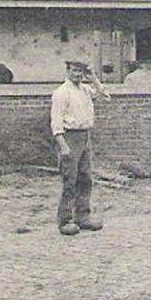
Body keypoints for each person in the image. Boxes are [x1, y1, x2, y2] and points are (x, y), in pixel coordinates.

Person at [51, 59, 105, 236]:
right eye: (74, 71)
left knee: (86, 178)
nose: (77, 75)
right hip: (69, 136)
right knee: (70, 180)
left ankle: (82, 216)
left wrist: (93, 77)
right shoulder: (61, 93)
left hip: (84, 136)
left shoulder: (84, 89)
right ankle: (65, 220)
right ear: (67, 71)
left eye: (80, 72)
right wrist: (63, 146)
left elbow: (103, 95)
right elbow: (56, 122)